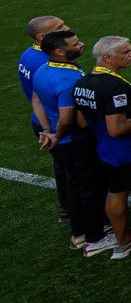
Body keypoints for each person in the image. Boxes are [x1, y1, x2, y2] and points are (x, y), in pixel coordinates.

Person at [72, 35, 131, 260]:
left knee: (115, 192)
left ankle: (123, 240)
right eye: (126, 52)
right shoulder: (115, 86)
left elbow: (81, 121)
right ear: (107, 57)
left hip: (103, 150)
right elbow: (116, 128)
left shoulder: (82, 82)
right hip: (127, 151)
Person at [32, 28, 111, 253]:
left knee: (74, 186)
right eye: (74, 44)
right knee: (91, 188)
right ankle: (94, 237)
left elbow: (36, 99)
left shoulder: (42, 69)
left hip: (60, 142)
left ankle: (79, 232)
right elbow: (68, 119)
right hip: (76, 142)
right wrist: (57, 134)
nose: (80, 45)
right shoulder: (69, 80)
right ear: (59, 51)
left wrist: (47, 130)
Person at [19, 15, 70, 222]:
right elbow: (39, 96)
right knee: (73, 172)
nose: (66, 28)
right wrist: (50, 129)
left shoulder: (28, 54)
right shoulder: (45, 61)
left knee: (63, 168)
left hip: (43, 120)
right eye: (59, 27)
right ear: (41, 36)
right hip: (55, 122)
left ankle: (67, 210)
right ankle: (79, 220)